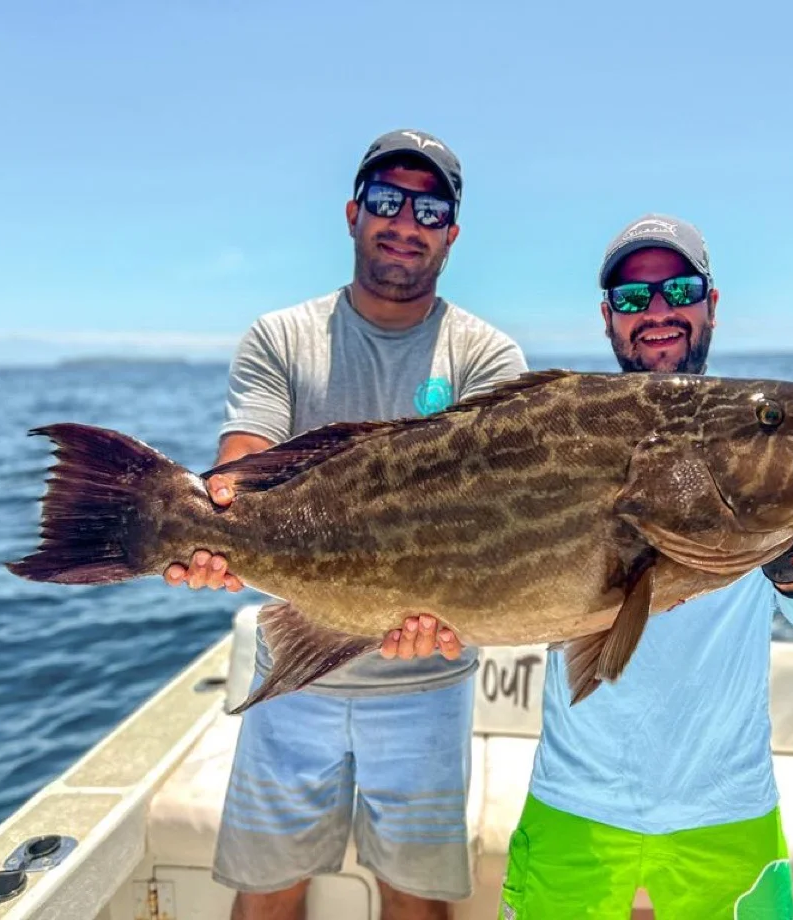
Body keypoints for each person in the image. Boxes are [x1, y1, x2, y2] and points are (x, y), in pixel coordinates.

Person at [400, 214, 793, 919]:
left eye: (678, 289)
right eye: (635, 299)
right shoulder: (556, 428)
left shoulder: (767, 447)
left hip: (728, 812)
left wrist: (792, 549)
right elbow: (478, 553)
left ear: (711, 302)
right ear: (610, 318)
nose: (659, 312)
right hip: (573, 805)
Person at [163, 129, 527, 920]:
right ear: (354, 213)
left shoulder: (489, 358)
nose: (407, 221)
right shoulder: (279, 336)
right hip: (297, 672)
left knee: (416, 899)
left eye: (429, 207)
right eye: (388, 201)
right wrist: (211, 523)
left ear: (452, 233)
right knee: (265, 891)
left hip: (428, 679)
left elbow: (492, 520)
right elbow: (243, 466)